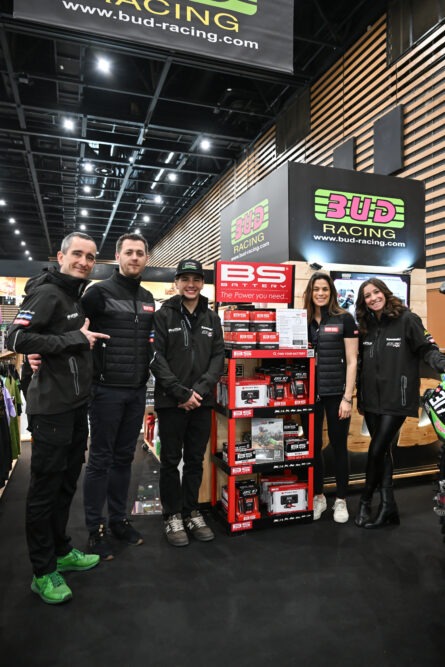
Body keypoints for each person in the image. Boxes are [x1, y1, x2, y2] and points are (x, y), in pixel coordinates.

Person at [6, 232, 109, 605]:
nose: (84, 261)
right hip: (51, 409)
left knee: (66, 485)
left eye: (90, 257)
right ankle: (42, 571)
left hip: (75, 406)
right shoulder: (48, 293)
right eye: (77, 254)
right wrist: (73, 340)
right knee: (45, 491)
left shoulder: (73, 294)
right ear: (61, 256)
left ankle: (61, 550)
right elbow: (15, 338)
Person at [81, 233, 155, 559]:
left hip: (136, 390)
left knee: (124, 458)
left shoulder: (148, 298)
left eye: (140, 253)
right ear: (118, 256)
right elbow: (74, 328)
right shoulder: (97, 293)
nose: (134, 257)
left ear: (146, 258)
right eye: (129, 252)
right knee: (100, 459)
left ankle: (118, 520)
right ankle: (95, 528)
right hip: (105, 389)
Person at [354, 278, 445, 529]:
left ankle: (365, 501)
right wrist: (359, 395)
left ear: (385, 292)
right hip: (370, 399)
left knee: (376, 449)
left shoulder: (408, 319)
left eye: (376, 292)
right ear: (363, 302)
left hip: (397, 398)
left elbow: (427, 349)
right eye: (367, 296)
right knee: (382, 451)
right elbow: (361, 363)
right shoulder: (366, 325)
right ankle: (388, 507)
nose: (373, 298)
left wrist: (441, 363)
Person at [150, 259, 224, 547]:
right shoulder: (163, 315)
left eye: (196, 279)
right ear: (177, 283)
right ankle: (172, 515)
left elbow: (218, 357)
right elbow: (156, 358)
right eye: (185, 279)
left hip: (202, 402)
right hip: (171, 402)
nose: (191, 284)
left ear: (202, 283)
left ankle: (192, 511)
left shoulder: (211, 318)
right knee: (170, 460)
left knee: (195, 459)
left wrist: (199, 392)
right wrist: (181, 394)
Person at [302, 272, 358, 523]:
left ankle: (341, 500)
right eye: (316, 289)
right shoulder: (302, 320)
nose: (320, 293)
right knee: (313, 447)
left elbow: (353, 360)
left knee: (338, 446)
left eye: (325, 289)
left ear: (332, 292)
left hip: (337, 394)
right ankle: (319, 497)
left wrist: (347, 398)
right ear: (310, 292)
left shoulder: (344, 318)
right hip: (309, 395)